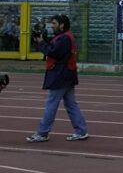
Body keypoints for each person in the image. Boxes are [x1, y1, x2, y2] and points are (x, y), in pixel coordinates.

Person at [26, 14, 89, 143]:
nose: (52, 26)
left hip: (60, 75)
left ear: (62, 25)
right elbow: (54, 48)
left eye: (54, 23)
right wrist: (43, 41)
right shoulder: (63, 37)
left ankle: (42, 133)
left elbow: (53, 52)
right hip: (66, 75)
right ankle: (81, 130)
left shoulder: (65, 38)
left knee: (51, 104)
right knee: (71, 104)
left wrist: (42, 43)